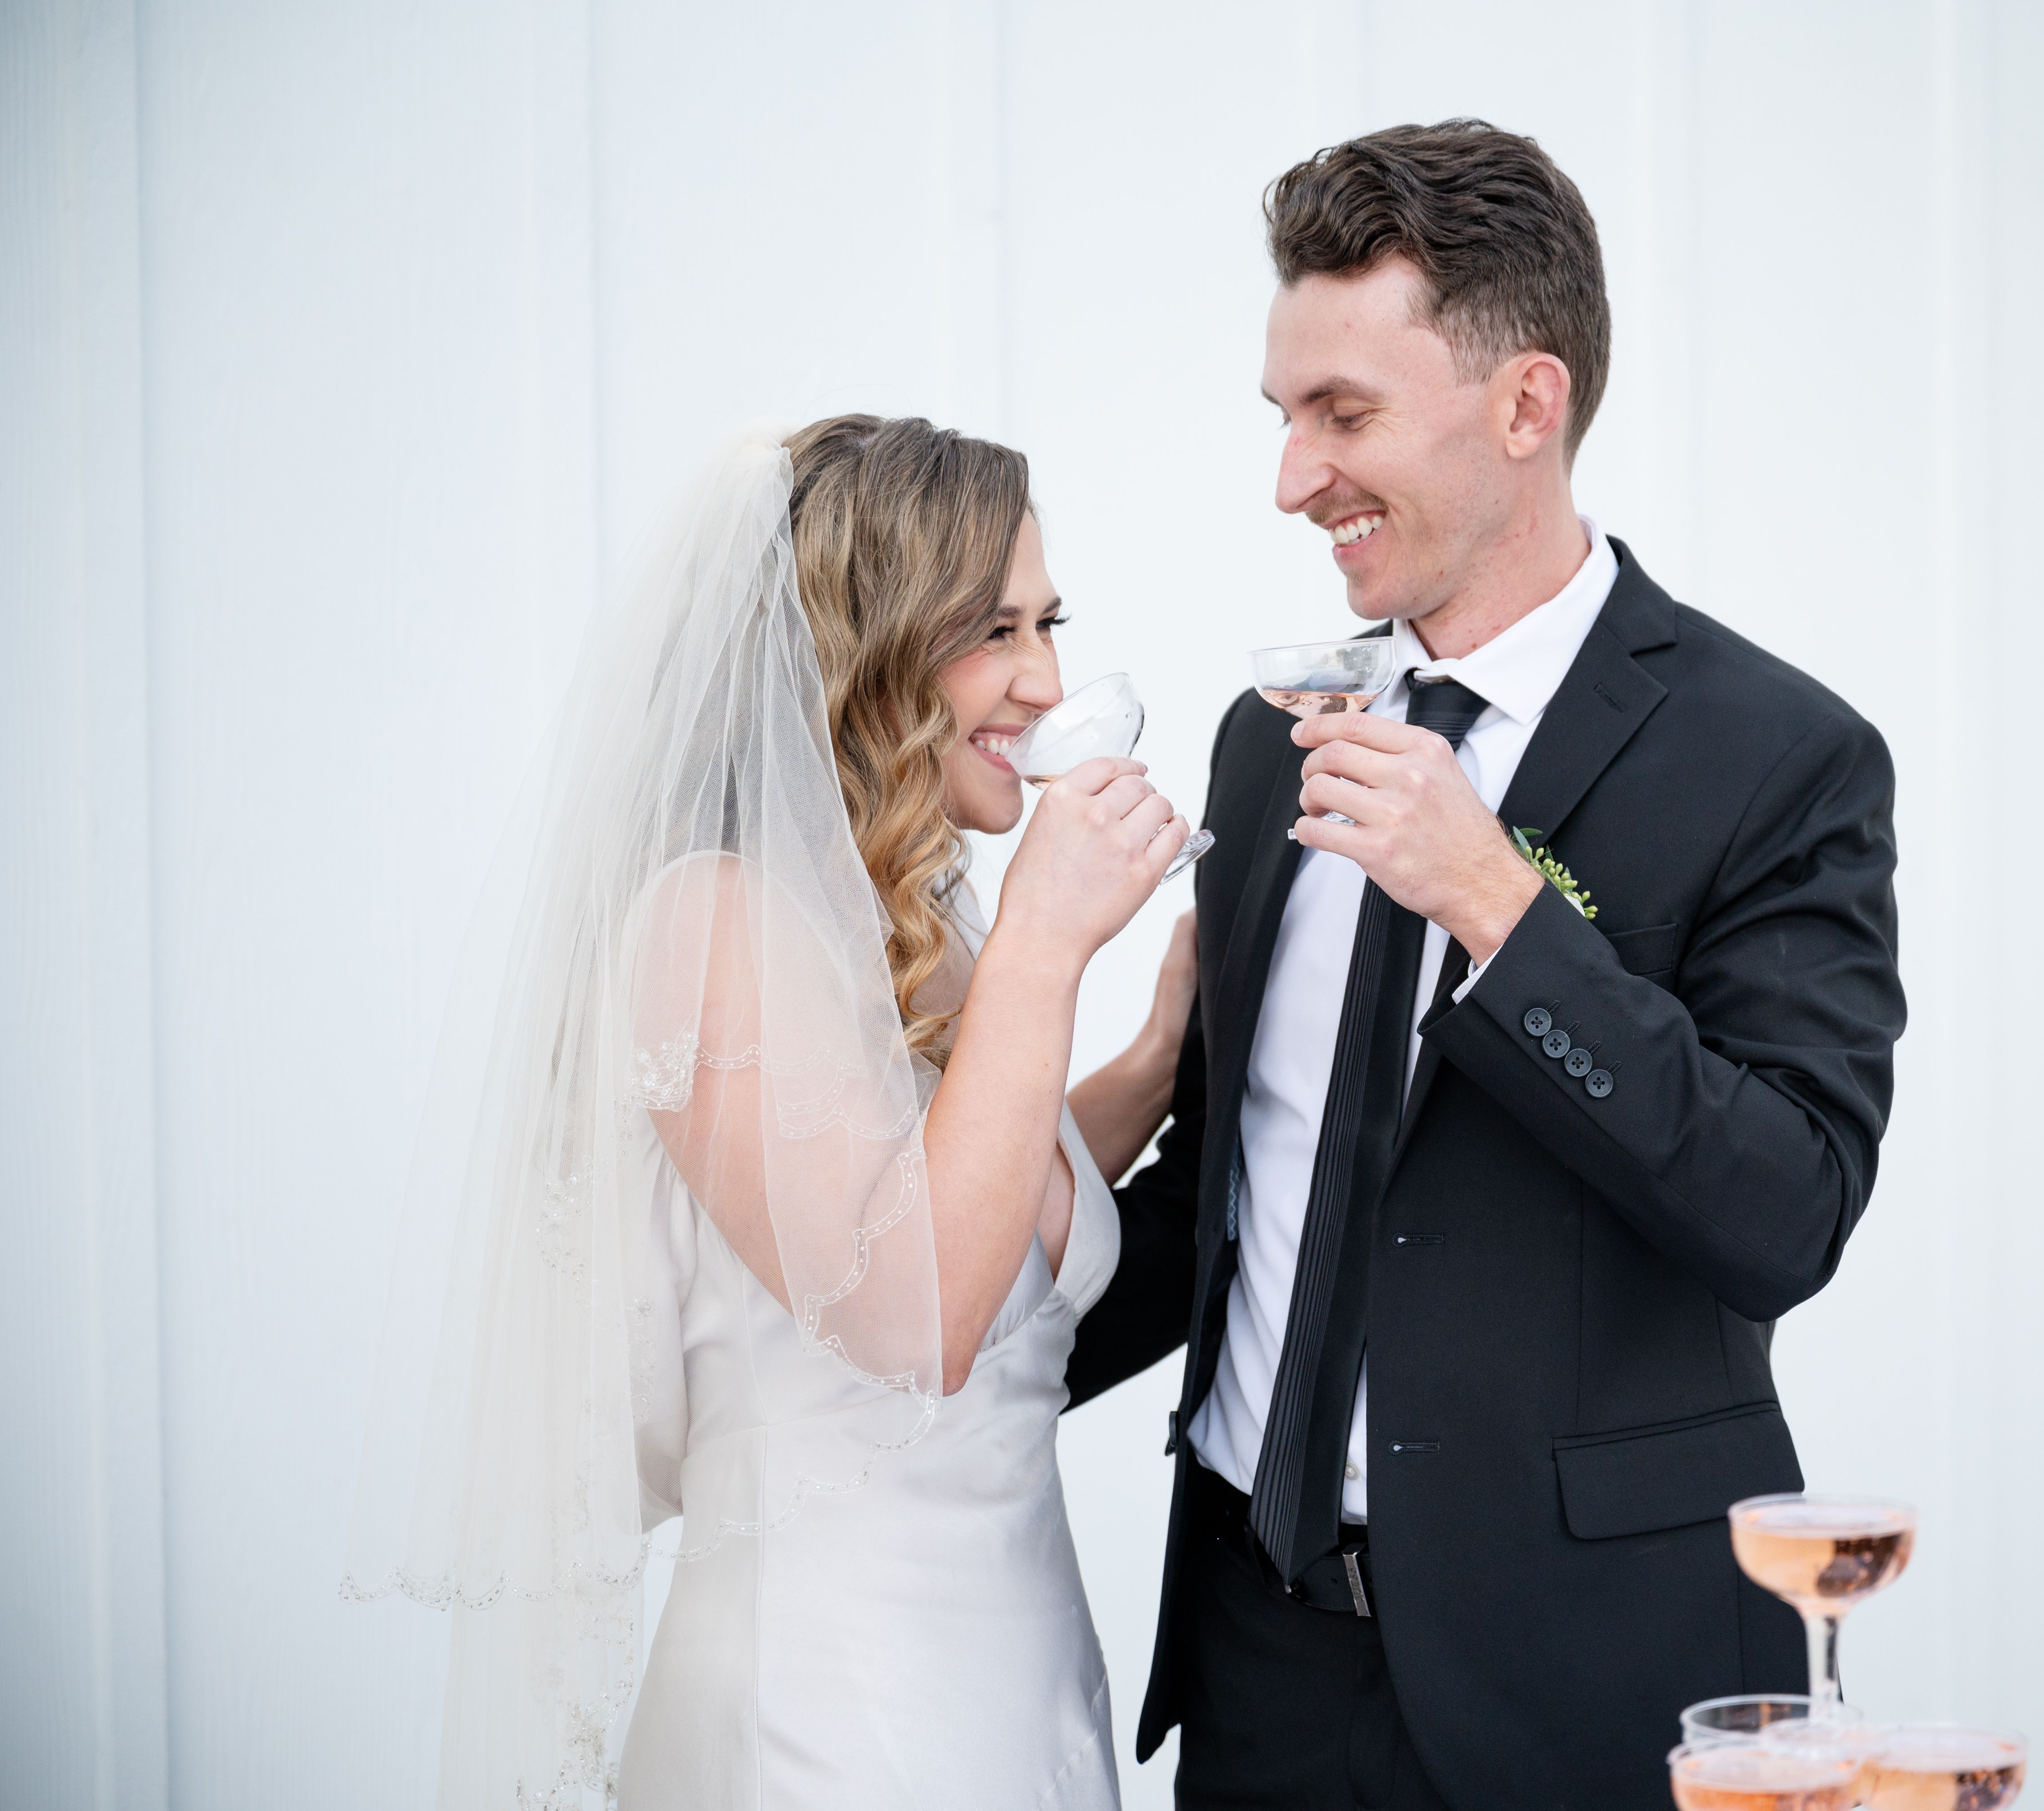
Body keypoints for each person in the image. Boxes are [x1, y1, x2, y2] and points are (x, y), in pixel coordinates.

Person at [1068, 121, 1906, 1808]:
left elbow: (1787, 1210)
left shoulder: (1780, 756)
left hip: (1596, 1680)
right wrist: (935, 1364)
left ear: (1528, 407)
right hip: (1261, 1659)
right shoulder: (1267, 743)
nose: (1292, 481)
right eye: (1285, 417)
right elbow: (1243, 1204)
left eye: (1345, 417)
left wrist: (1500, 911)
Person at [347, 415, 1198, 1809]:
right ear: (868, 648)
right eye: (996, 630)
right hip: (836, 1718)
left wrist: (1160, 1053)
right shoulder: (713, 923)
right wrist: (1049, 942)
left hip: (1014, 1680)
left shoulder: (904, 916)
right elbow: (913, 1316)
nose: (1048, 681)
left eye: (1051, 622)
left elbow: (968, 1196)